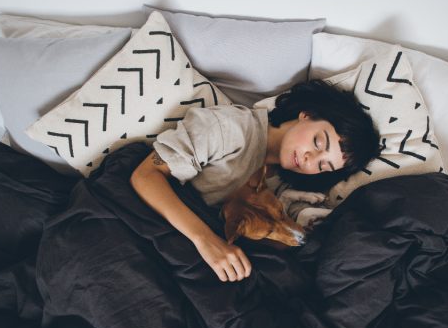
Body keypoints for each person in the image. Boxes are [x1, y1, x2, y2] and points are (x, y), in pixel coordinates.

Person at [130, 80, 380, 283]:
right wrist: (206, 241)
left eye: (322, 165)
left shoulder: (282, 182)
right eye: (318, 142)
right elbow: (145, 176)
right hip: (146, 236)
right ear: (307, 115)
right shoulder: (230, 129)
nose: (309, 159)